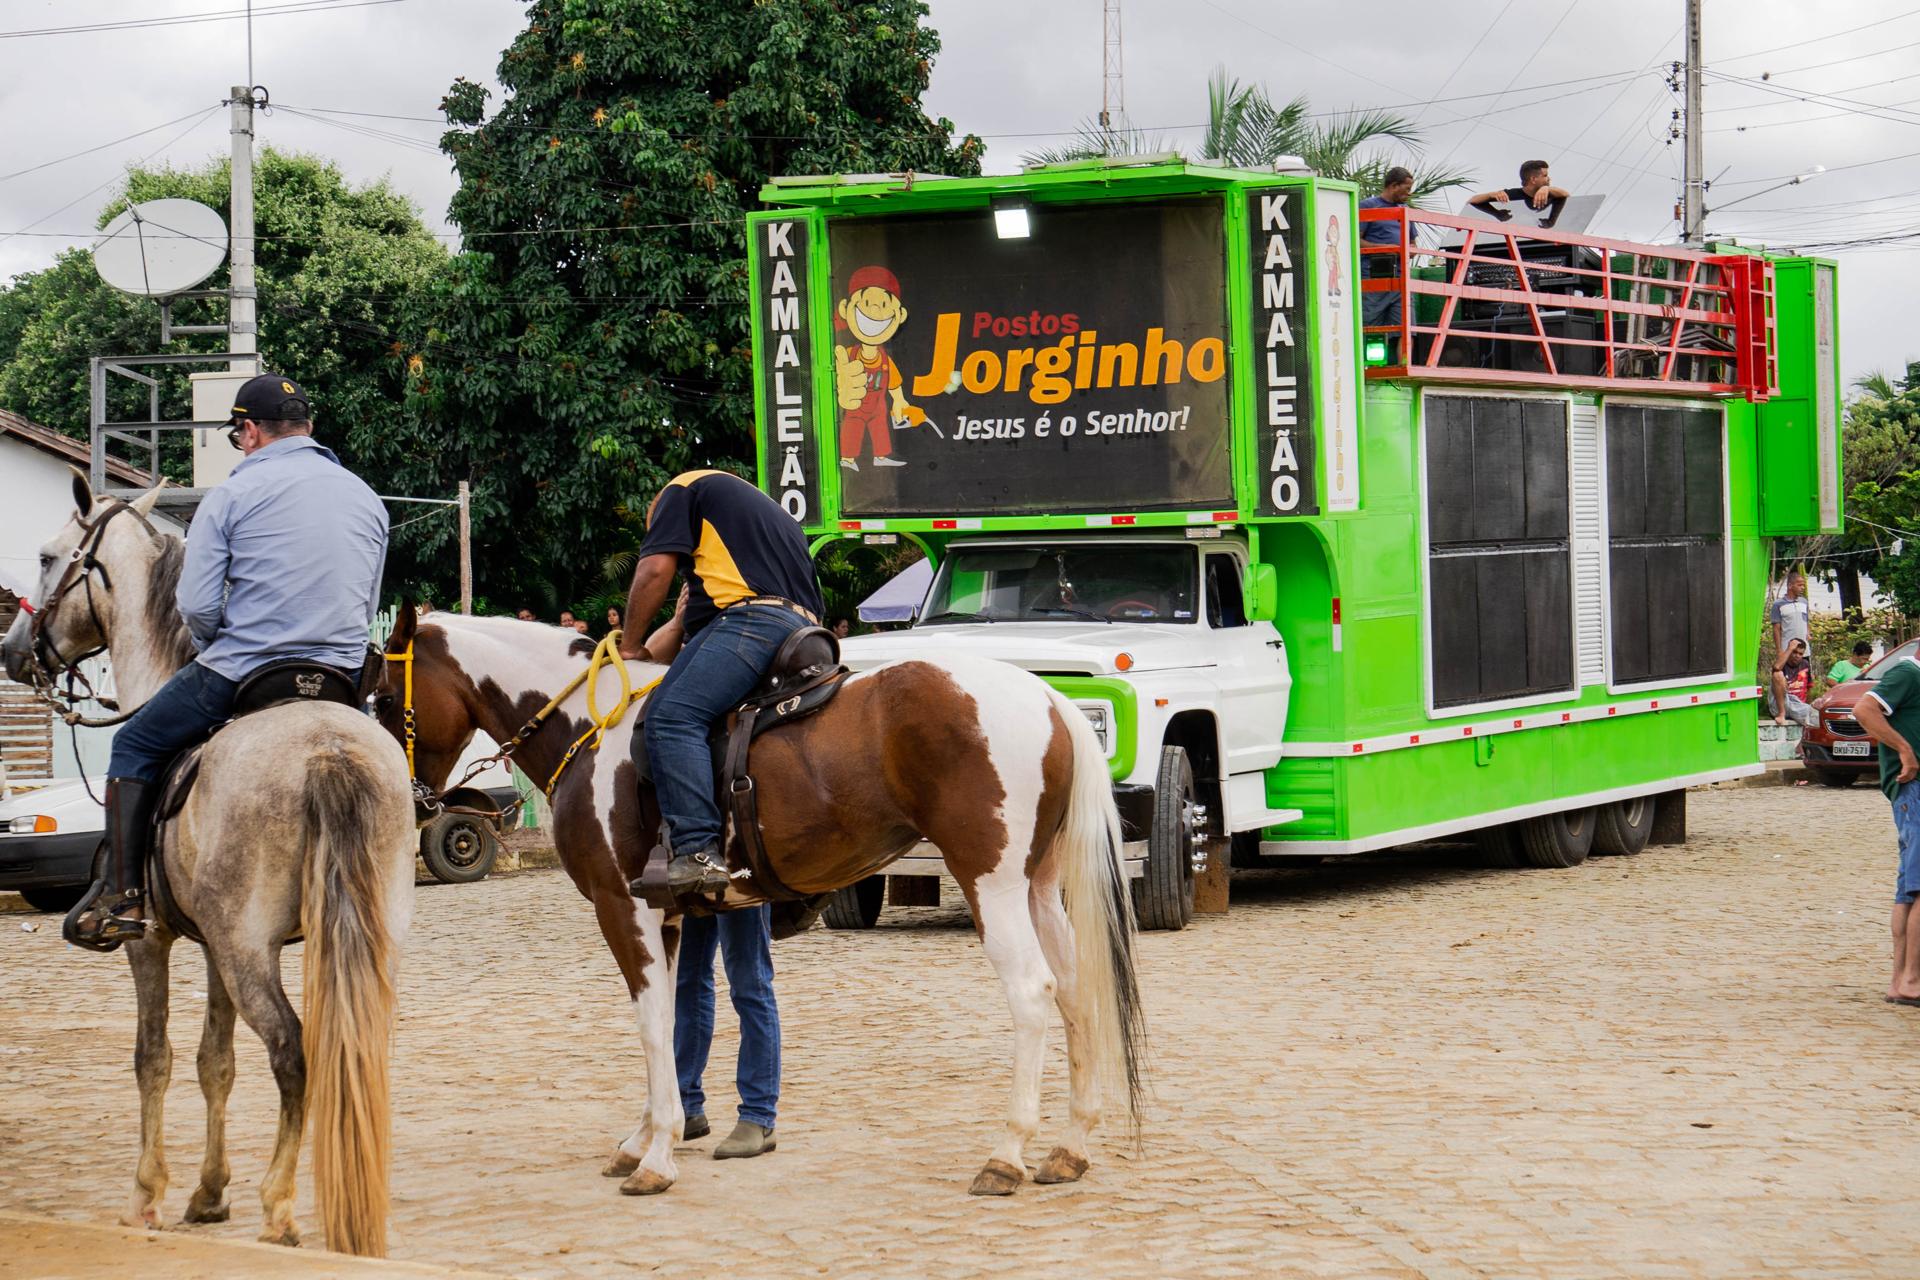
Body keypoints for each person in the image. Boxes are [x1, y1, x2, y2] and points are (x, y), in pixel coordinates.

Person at [69, 373, 388, 947]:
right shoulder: (366, 497)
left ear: (250, 432)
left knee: (133, 745)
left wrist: (215, 640)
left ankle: (123, 896)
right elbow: (367, 603)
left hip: (246, 671)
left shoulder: (232, 496)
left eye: (238, 435)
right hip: (340, 679)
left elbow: (194, 604)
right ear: (307, 427)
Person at [619, 468, 822, 1160]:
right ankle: (688, 1106)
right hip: (793, 627)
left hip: (756, 623)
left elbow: (652, 573)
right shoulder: (744, 544)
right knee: (696, 974)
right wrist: (671, 627)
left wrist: (626, 639)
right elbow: (666, 653)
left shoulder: (683, 490)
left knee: (671, 717)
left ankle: (759, 1113)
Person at [1847, 652, 1920, 1005]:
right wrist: (1904, 750)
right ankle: (1912, 981)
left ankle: (1900, 981)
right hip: (1914, 789)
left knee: (1909, 889)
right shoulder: (1909, 672)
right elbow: (1864, 710)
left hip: (1910, 793)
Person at [1360, 166, 1416, 338]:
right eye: (1407, 189)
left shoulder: (1405, 210)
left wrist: (1409, 251)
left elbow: (1413, 244)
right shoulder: (1368, 206)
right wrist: (1386, 249)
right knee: (1371, 329)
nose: (1409, 193)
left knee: (1406, 331)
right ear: (1393, 186)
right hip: (1374, 277)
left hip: (1401, 278)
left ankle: (1405, 357)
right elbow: (1355, 240)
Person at [1466, 159, 1570, 222]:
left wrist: (1546, 188)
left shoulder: (1552, 194)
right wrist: (1493, 203)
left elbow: (1565, 195)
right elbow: (1472, 201)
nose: (1549, 179)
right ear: (1533, 179)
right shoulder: (1513, 195)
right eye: (1545, 176)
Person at [1772, 637, 1815, 728]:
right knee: (1777, 674)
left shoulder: (1805, 664)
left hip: (1798, 706)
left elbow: (1809, 687)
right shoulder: (1782, 663)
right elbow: (1776, 668)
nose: (1797, 656)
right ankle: (1782, 714)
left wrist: (1808, 704)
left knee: (1816, 713)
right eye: (1794, 652)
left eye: (1800, 654)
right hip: (1782, 703)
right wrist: (1790, 648)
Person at [1770, 571, 1811, 657]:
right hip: (1787, 651)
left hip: (1804, 652)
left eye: (1803, 585)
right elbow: (1776, 629)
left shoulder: (1804, 602)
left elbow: (1806, 621)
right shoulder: (1778, 604)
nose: (1803, 588)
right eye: (1799, 585)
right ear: (1790, 586)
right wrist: (1779, 650)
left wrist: (1808, 633)